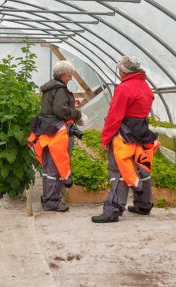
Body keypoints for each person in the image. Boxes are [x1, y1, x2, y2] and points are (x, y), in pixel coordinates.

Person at [91, 56, 158, 223]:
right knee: (142, 167)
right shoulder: (145, 86)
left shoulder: (124, 88)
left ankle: (112, 210)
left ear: (123, 71)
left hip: (124, 134)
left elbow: (114, 117)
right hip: (142, 132)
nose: (119, 71)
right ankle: (144, 205)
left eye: (119, 69)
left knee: (119, 170)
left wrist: (106, 139)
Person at [27, 60, 83, 212]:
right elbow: (60, 110)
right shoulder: (60, 89)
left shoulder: (50, 88)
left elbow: (55, 108)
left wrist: (72, 106)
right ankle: (52, 202)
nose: (71, 77)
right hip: (56, 134)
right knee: (55, 169)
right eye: (69, 75)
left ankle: (50, 199)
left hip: (47, 131)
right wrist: (77, 113)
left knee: (49, 169)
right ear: (63, 75)